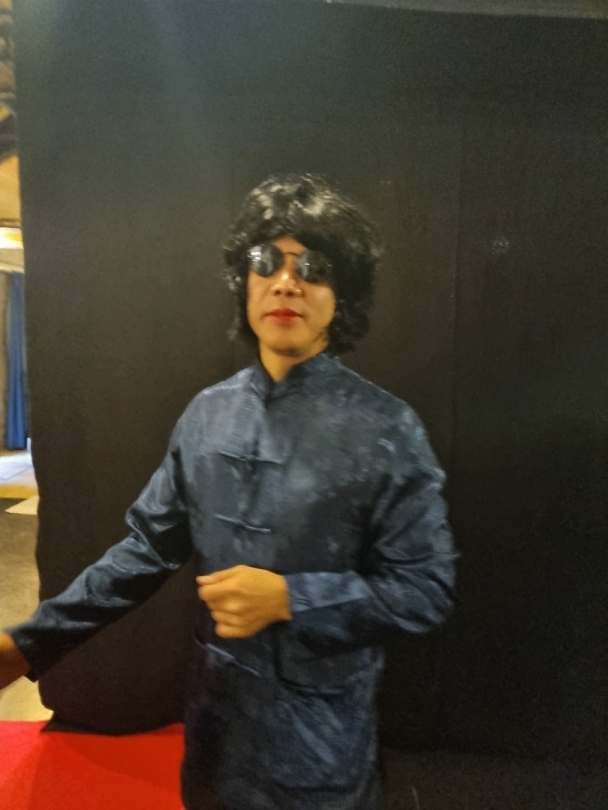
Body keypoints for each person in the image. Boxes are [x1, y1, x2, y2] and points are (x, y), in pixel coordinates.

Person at [0, 175, 457, 809]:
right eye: (267, 261)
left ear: (342, 294)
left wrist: (292, 599)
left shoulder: (386, 429)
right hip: (215, 736)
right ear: (245, 279)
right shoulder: (208, 416)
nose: (286, 282)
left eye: (314, 267)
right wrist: (32, 641)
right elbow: (144, 551)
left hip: (322, 751)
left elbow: (425, 590)